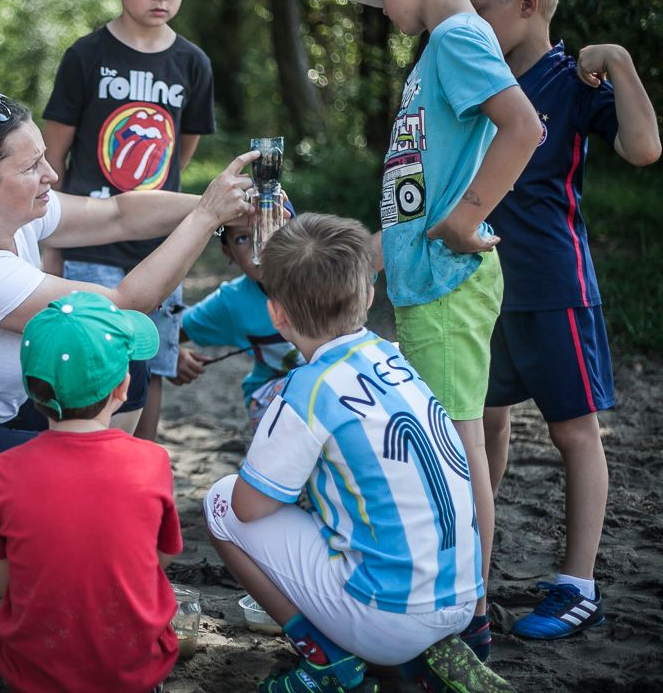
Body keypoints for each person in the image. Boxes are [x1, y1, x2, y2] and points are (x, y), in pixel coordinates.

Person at [0, 93, 252, 601]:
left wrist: (218, 206)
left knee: (120, 357)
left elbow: (116, 214)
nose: (51, 174)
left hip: (0, 412)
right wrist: (206, 219)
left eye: (45, 158)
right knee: (106, 361)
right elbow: (122, 304)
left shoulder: (3, 214)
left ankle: (35, 518)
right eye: (32, 167)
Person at [345, 0, 543, 657]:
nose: (384, 6)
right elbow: (425, 182)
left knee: (458, 453)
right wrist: (374, 249)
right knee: (449, 444)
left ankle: (470, 610)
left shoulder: (458, 36)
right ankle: (463, 598)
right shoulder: (446, 45)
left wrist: (465, 220)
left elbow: (525, 127)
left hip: (449, 280)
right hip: (430, 279)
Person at [203, 213, 513, 693]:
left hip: (391, 617)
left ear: (276, 315)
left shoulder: (307, 389)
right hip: (463, 600)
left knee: (221, 503)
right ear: (369, 295)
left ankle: (327, 659)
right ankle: (412, 655)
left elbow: (247, 507)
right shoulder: (394, 357)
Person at [467, 0, 661, 640]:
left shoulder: (573, 81)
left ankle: (577, 585)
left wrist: (620, 63)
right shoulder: (479, 76)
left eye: (481, 8)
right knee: (482, 417)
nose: (470, 20)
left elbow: (643, 148)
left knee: (572, 430)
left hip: (555, 286)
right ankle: (473, 555)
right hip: (483, 284)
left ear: (527, 2)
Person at [41, 0, 216, 443]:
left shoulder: (193, 64)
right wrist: (50, 246)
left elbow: (179, 151)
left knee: (151, 362)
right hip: (89, 240)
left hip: (159, 246)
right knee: (88, 360)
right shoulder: (85, 56)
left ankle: (140, 466)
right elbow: (52, 159)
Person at [0, 291, 183, 693]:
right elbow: (164, 555)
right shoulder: (151, 461)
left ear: (32, 390)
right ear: (123, 387)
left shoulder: (4, 470)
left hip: (32, 673)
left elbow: (3, 577)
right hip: (135, 669)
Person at [171, 220, 303, 428]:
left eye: (271, 228)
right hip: (273, 396)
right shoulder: (232, 301)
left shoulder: (326, 276)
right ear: (229, 253)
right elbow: (170, 330)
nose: (261, 246)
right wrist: (173, 355)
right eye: (243, 238)